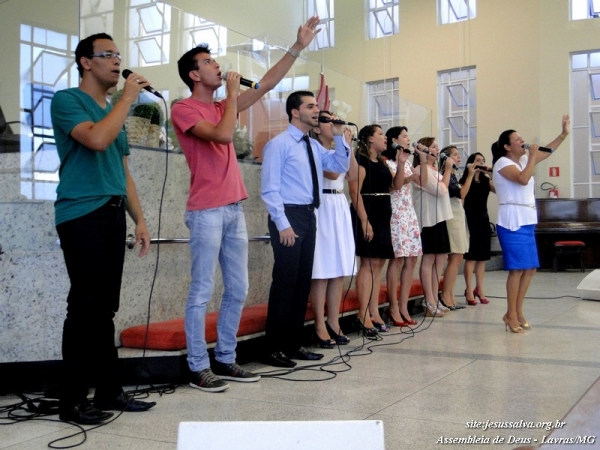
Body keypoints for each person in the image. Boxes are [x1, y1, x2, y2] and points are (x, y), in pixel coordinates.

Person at [171, 17, 322, 390]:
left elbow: (269, 83)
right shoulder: (184, 108)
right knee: (202, 289)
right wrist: (234, 99)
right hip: (205, 211)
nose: (217, 65)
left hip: (232, 209)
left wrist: (297, 46)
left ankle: (225, 358)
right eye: (208, 62)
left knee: (237, 288)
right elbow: (223, 137)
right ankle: (196, 364)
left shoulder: (225, 104)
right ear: (193, 74)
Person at [51, 33, 155, 425]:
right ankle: (73, 401)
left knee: (103, 309)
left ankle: (109, 391)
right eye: (107, 55)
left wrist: (139, 219)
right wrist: (126, 99)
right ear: (85, 62)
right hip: (81, 213)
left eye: (118, 54)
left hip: (112, 213)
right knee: (84, 307)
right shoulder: (67, 101)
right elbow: (95, 139)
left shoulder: (113, 109)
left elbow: (122, 171)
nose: (116, 61)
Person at [261, 91, 350, 367]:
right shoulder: (279, 144)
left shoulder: (312, 145)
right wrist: (283, 224)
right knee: (285, 283)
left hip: (310, 215)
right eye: (310, 106)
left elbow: (338, 166)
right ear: (294, 112)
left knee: (302, 284)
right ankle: (273, 348)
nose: (317, 111)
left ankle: (294, 343)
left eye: (318, 106)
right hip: (288, 215)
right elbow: (269, 188)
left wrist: (338, 136)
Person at [491, 115, 570, 333]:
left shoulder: (526, 160)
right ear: (507, 146)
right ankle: (510, 314)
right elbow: (523, 179)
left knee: (530, 268)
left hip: (526, 219)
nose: (522, 141)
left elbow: (548, 150)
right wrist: (533, 156)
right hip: (511, 221)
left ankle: (517, 311)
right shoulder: (502, 163)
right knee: (516, 270)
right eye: (517, 140)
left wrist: (563, 134)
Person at [349, 125, 407, 336]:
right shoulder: (361, 161)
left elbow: (395, 186)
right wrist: (364, 221)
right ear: (369, 139)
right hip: (368, 211)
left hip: (383, 213)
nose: (385, 138)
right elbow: (354, 191)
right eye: (380, 134)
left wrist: (401, 164)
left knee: (379, 262)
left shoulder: (381, 162)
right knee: (368, 261)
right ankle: (362, 312)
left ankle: (374, 310)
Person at [309, 111, 357, 347]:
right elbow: (334, 172)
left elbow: (354, 175)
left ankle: (334, 321)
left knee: (338, 269)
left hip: (339, 204)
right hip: (324, 206)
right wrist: (341, 145)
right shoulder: (316, 150)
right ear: (316, 128)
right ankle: (319, 324)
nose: (332, 124)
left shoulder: (339, 149)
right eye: (326, 121)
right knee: (322, 269)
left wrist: (348, 146)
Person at [382, 126, 421, 326]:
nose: (408, 139)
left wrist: (421, 157)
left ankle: (404, 305)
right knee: (397, 260)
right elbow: (392, 185)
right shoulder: (388, 161)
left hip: (409, 212)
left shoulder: (407, 161)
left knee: (411, 259)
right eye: (405, 136)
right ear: (394, 140)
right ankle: (393, 305)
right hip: (396, 211)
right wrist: (408, 177)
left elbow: (420, 181)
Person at [411, 137, 454, 318]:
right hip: (428, 220)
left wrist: (444, 172)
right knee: (429, 260)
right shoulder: (421, 169)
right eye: (434, 146)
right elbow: (440, 190)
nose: (438, 150)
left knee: (441, 259)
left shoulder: (435, 170)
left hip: (441, 218)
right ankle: (428, 301)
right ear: (425, 150)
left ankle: (435, 299)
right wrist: (448, 171)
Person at [439, 145, 472, 310]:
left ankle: (450, 294)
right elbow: (462, 194)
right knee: (455, 257)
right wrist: (470, 175)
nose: (458, 158)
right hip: (452, 218)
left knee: (458, 258)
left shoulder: (452, 176)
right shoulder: (447, 176)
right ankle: (446, 295)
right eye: (455, 155)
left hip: (459, 215)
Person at [460, 152, 495, 305]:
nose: (481, 162)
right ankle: (468, 289)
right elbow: (461, 198)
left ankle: (480, 288)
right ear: (471, 163)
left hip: (483, 219)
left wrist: (490, 174)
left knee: (482, 258)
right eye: (478, 160)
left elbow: (498, 190)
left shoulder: (486, 180)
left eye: (483, 160)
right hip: (470, 219)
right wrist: (471, 174)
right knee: (471, 257)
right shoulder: (465, 179)